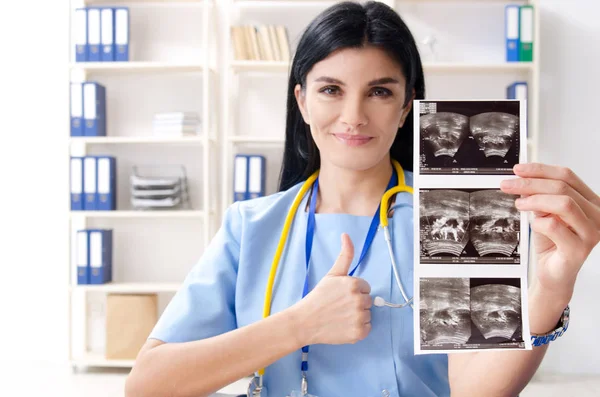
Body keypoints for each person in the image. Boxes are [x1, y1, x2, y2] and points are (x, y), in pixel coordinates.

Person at [124, 2, 600, 397]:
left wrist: (552, 290)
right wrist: (299, 326)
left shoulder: (453, 211)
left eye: (378, 91)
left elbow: (475, 392)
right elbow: (148, 385)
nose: (353, 116)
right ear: (302, 101)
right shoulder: (252, 225)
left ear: (406, 105)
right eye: (331, 89)